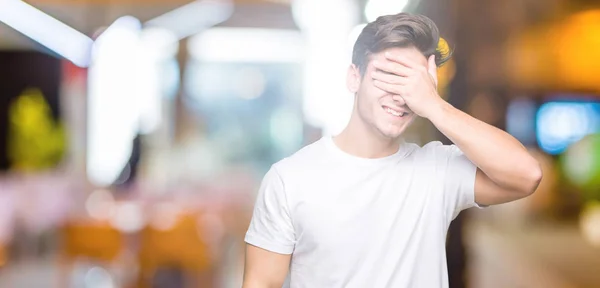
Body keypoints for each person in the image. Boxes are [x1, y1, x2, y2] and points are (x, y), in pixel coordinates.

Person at [242, 13, 542, 288]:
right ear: (354, 77)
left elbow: (527, 175)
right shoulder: (289, 179)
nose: (401, 95)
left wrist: (434, 106)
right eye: (388, 75)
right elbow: (261, 282)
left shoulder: (438, 170)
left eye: (413, 82)